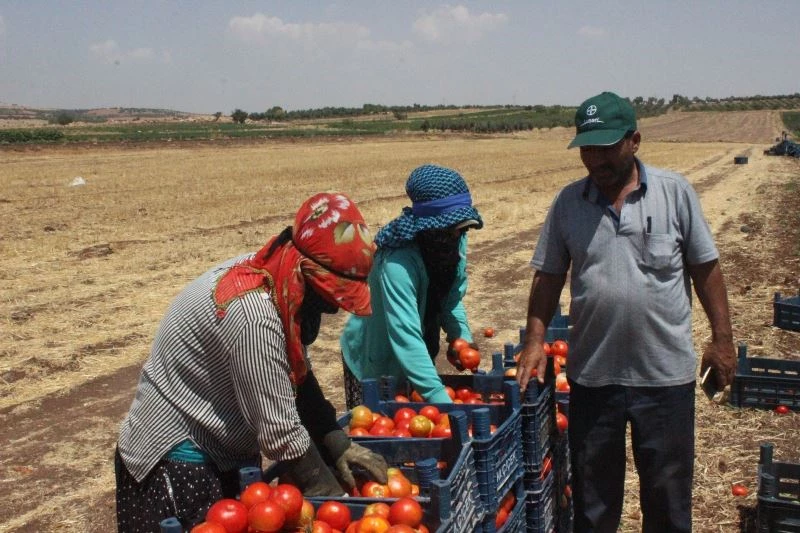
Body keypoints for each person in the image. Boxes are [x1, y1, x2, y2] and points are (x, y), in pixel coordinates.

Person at [515, 92, 737, 532]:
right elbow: (548, 278)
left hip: (664, 377)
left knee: (668, 500)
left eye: (607, 147)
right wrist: (535, 341)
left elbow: (705, 268)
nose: (596, 159)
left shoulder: (675, 194)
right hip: (595, 377)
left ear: (634, 141)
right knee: (595, 505)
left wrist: (722, 339)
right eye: (587, 148)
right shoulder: (567, 204)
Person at [115, 192, 389, 532]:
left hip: (224, 447)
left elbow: (296, 379)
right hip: (179, 458)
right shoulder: (253, 315)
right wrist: (334, 504)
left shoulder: (281, 276)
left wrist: (338, 445)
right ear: (308, 273)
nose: (334, 309)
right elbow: (280, 431)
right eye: (331, 295)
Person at [340, 164, 483, 408]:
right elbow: (405, 336)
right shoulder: (397, 262)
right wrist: (446, 404)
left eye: (463, 229)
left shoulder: (451, 243)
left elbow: (450, 300)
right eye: (452, 230)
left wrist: (461, 338)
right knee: (379, 433)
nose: (458, 237)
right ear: (429, 227)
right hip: (376, 363)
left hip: (416, 361)